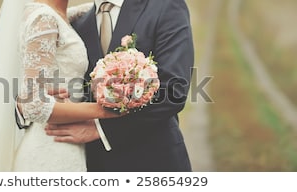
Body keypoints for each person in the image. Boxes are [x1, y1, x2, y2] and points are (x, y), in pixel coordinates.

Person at [0, 0, 119, 172]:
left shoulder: (58, 14)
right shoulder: (44, 19)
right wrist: (108, 110)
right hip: (51, 148)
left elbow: (91, 10)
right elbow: (34, 105)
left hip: (66, 143)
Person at [44, 0, 195, 171]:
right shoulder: (78, 25)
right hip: (96, 165)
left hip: (154, 160)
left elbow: (174, 91)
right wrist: (61, 97)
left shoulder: (165, 6)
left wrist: (102, 130)